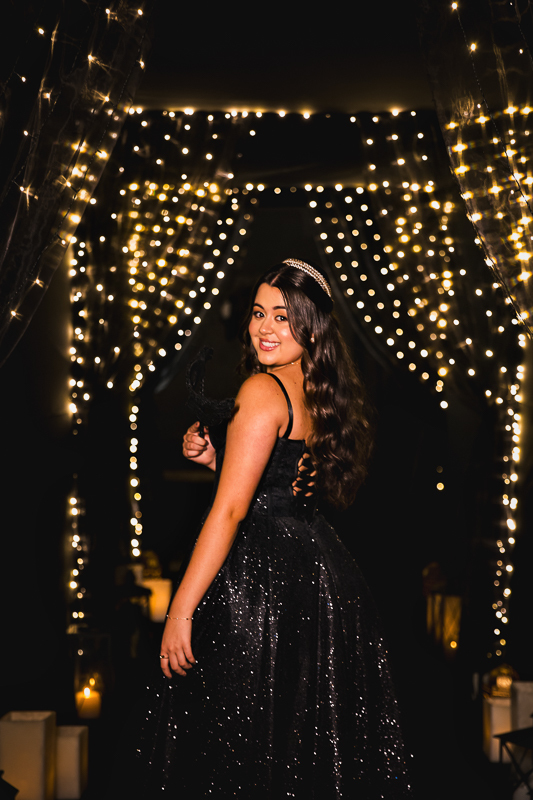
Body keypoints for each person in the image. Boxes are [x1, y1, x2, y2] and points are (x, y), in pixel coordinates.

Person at [133, 258, 412, 798]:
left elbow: (231, 511)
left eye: (283, 317)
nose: (265, 328)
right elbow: (278, 489)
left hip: (262, 586)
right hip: (317, 575)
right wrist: (219, 461)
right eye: (259, 313)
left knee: (239, 743)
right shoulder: (316, 387)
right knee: (295, 739)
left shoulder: (262, 390)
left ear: (311, 327)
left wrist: (181, 611)